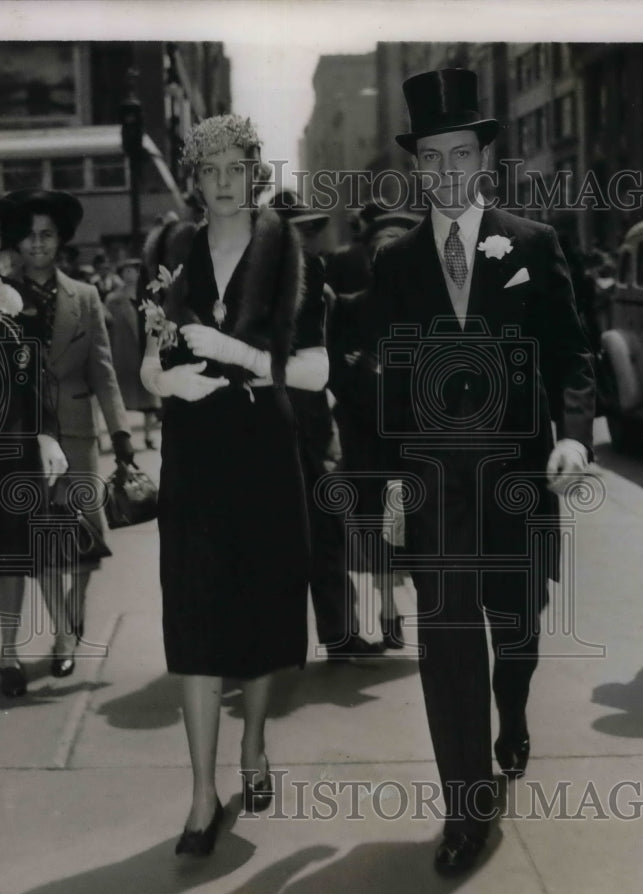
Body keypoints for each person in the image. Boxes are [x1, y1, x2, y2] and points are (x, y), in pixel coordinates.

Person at [367, 69, 595, 874]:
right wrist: (386, 493)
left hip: (519, 475)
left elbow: (573, 355)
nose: (447, 172)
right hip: (437, 485)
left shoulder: (531, 243)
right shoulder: (393, 265)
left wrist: (571, 437)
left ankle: (513, 712)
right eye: (431, 159)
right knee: (449, 642)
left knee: (517, 627)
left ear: (483, 160)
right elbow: (384, 385)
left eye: (460, 154)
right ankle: (464, 805)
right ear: (417, 168)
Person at [139, 115, 329, 856]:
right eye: (207, 169)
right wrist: (161, 378)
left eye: (233, 167)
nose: (221, 182)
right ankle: (199, 794)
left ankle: (252, 742)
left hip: (261, 450)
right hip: (193, 454)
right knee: (191, 613)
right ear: (193, 176)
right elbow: (147, 350)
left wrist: (235, 352)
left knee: (257, 609)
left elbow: (315, 370)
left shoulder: (286, 254)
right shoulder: (169, 253)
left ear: (254, 170)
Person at [5, 189, 135, 677]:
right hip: (24, 437)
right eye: (29, 236)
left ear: (60, 241)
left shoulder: (85, 296)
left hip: (79, 436)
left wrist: (121, 433)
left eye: (47, 235)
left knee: (85, 542)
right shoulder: (0, 296)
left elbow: (103, 370)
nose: (38, 244)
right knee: (41, 542)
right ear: (18, 243)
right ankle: (62, 631)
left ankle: (73, 610)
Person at [270, 190, 384, 661]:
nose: (309, 242)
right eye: (299, 233)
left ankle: (339, 635)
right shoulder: (252, 292)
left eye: (312, 232)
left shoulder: (323, 288)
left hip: (316, 431)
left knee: (329, 535)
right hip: (267, 433)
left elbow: (344, 339)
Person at [0, 191, 69, 696]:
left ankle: (11, 651)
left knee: (21, 550)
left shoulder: (12, 300)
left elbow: (33, 378)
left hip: (9, 447)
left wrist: (47, 432)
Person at [329, 206, 421, 649]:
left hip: (415, 436)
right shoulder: (351, 308)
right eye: (380, 252)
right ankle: (388, 608)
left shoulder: (429, 310)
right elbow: (332, 369)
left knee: (416, 526)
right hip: (366, 436)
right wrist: (360, 369)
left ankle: (425, 605)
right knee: (377, 527)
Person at [105, 258, 160, 448]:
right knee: (120, 401)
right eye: (126, 271)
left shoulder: (149, 296)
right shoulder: (113, 300)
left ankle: (148, 436)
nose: (130, 275)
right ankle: (121, 438)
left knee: (150, 401)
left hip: (146, 352)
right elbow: (107, 330)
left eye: (134, 271)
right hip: (123, 354)